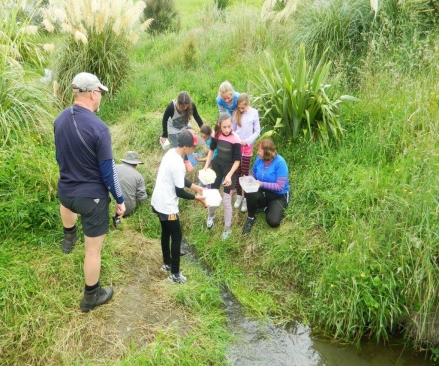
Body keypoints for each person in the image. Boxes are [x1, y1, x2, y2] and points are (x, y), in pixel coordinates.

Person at [54, 72, 126, 312]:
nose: (101, 97)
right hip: (91, 199)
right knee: (93, 250)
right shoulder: (99, 128)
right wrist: (120, 200)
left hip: (65, 193)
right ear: (93, 93)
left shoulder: (60, 119)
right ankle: (91, 297)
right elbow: (108, 171)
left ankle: (69, 236)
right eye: (101, 93)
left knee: (68, 205)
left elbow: (60, 157)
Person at [151, 129, 207, 284]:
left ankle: (167, 263)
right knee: (176, 236)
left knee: (165, 232)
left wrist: (196, 187)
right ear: (186, 148)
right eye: (193, 148)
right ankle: (175, 274)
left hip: (158, 201)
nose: (193, 150)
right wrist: (198, 198)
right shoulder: (178, 163)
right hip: (168, 205)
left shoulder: (171, 153)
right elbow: (179, 191)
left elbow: (179, 179)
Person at [203, 113, 241, 240]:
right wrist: (206, 165)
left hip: (229, 170)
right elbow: (211, 150)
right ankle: (211, 215)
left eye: (229, 126)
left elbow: (237, 161)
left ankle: (227, 228)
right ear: (219, 125)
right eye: (224, 127)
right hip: (217, 167)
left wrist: (229, 176)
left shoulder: (236, 139)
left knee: (226, 200)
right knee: (212, 195)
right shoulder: (216, 134)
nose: (227, 130)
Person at [242, 139, 289, 235]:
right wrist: (248, 179)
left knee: (273, 222)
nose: (257, 152)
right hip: (263, 191)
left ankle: (265, 208)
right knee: (250, 191)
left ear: (266, 152)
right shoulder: (259, 159)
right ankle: (251, 217)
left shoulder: (280, 163)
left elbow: (280, 187)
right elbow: (254, 174)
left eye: (259, 150)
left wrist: (261, 184)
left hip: (278, 195)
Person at [160, 91, 204, 171]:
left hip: (185, 126)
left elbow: (196, 116)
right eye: (182, 106)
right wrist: (164, 135)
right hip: (174, 130)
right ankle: (185, 160)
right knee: (179, 149)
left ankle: (189, 155)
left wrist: (203, 128)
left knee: (189, 141)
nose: (184, 108)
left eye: (186, 107)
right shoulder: (171, 107)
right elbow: (164, 119)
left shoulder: (191, 105)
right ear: (178, 103)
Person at [232, 93, 261, 213]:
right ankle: (239, 195)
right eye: (239, 107)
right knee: (237, 173)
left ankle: (246, 198)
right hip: (237, 147)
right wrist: (237, 141)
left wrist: (248, 141)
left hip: (247, 148)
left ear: (247, 103)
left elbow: (257, 131)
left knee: (244, 173)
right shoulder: (236, 114)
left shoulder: (254, 113)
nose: (241, 110)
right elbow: (233, 130)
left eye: (243, 107)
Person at [115, 151, 147, 216]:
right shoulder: (138, 176)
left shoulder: (114, 168)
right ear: (135, 164)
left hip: (113, 205)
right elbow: (142, 197)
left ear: (124, 161)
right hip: (128, 209)